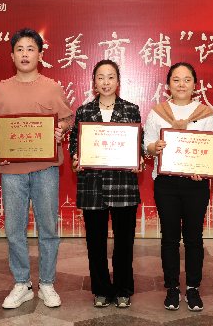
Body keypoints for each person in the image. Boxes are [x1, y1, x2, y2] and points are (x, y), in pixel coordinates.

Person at [0, 27, 73, 309]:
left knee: (48, 228)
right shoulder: (2, 89)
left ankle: (47, 283)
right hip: (12, 170)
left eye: (30, 49)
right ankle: (22, 283)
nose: (25, 54)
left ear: (40, 55)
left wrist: (60, 130)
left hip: (46, 168)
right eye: (19, 49)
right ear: (12, 55)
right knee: (14, 229)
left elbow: (67, 119)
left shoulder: (52, 87)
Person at [68, 59, 144, 309]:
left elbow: (139, 144)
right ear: (94, 82)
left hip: (123, 186)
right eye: (100, 77)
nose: (106, 82)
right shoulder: (84, 111)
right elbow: (74, 144)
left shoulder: (131, 110)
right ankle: (101, 290)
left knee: (124, 244)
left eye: (111, 77)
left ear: (118, 81)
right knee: (96, 244)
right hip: (92, 186)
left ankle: (123, 290)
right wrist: (76, 157)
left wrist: (139, 158)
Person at [143, 62, 213, 312]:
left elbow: (211, 148)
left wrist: (202, 169)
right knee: (170, 238)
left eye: (187, 80)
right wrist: (155, 147)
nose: (181, 84)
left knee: (194, 238)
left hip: (196, 184)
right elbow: (146, 144)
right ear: (168, 85)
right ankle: (172, 288)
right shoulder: (158, 112)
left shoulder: (206, 114)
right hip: (166, 183)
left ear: (195, 84)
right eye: (176, 79)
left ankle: (193, 288)